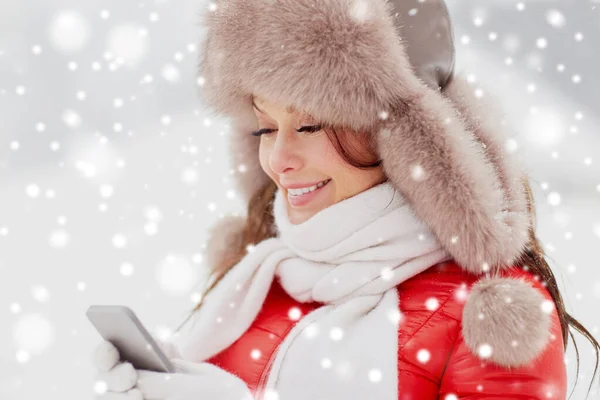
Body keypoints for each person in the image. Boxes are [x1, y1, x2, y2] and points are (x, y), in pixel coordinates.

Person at [91, 0, 600, 399]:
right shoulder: (259, 282)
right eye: (265, 127)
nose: (280, 159)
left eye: (310, 124)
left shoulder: (491, 314)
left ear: (402, 139)